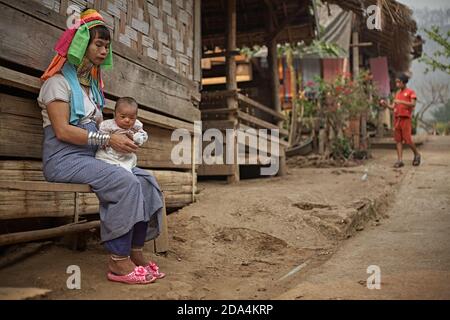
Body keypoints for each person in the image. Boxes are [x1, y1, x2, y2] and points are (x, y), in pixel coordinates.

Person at [37, 9, 165, 284]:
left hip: (92, 158)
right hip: (64, 159)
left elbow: (104, 129)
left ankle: (134, 251)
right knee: (124, 182)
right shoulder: (56, 83)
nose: (104, 51)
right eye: (99, 44)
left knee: (145, 180)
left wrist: (126, 138)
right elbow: (62, 131)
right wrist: (109, 139)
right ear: (81, 44)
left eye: (107, 46)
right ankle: (118, 262)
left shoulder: (92, 88)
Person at [96, 97, 148, 172]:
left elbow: (143, 134)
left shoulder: (136, 126)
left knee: (130, 162)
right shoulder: (109, 125)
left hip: (126, 155)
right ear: (115, 114)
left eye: (132, 118)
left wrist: (138, 137)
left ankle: (124, 169)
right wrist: (105, 142)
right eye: (123, 117)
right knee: (101, 156)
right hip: (109, 153)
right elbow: (101, 133)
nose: (127, 120)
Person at [380, 73, 421, 168]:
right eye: (396, 82)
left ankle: (417, 154)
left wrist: (401, 102)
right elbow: (393, 107)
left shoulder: (411, 92)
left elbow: (413, 104)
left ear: (403, 82)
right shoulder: (398, 94)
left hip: (405, 119)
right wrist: (386, 105)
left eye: (398, 82)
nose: (397, 84)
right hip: (397, 119)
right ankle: (400, 160)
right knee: (398, 140)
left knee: (407, 140)